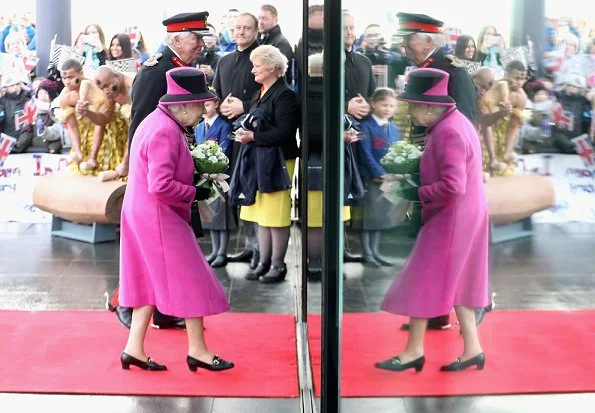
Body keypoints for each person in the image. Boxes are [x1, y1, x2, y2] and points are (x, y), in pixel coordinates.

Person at [119, 67, 233, 373]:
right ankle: (199, 351)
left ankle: (133, 349)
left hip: (141, 211)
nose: (203, 110)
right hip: (158, 215)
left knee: (147, 281)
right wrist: (197, 191)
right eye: (199, 104)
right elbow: (161, 185)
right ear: (182, 105)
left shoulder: (155, 121)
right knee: (192, 278)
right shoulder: (166, 130)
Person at [376, 68, 488, 373]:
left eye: (413, 105)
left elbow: (454, 185)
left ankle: (413, 351)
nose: (410, 111)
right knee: (460, 282)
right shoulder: (457, 121)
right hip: (467, 213)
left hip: (451, 217)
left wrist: (416, 190)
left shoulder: (448, 131)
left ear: (429, 105)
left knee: (422, 280)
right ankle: (473, 350)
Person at [112, 12, 212, 331]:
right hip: (156, 172)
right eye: (196, 38)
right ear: (177, 38)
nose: (200, 45)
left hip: (173, 165)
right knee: (150, 246)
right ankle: (125, 303)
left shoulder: (178, 67)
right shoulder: (157, 72)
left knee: (168, 246)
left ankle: (165, 308)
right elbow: (140, 124)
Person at [394, 12, 478, 330]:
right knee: (425, 242)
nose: (403, 46)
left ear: (428, 40)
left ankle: (452, 310)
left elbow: (465, 123)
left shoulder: (453, 73)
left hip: (447, 172)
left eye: (408, 39)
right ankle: (432, 311)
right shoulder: (424, 69)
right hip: (424, 163)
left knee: (444, 245)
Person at [229, 45, 299, 283]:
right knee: (262, 216)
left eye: (257, 65)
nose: (253, 70)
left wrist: (253, 137)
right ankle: (263, 262)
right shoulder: (260, 93)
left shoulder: (285, 95)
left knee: (276, 217)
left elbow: (286, 133)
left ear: (272, 67)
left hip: (278, 162)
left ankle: (278, 265)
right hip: (260, 160)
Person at [213, 12, 262, 269]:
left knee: (250, 191)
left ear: (256, 31)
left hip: (252, 136)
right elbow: (216, 96)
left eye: (246, 28)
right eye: (237, 28)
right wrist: (221, 106)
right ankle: (246, 245)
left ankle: (257, 249)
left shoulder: (263, 58)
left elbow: (272, 96)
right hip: (226, 137)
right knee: (230, 189)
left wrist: (244, 107)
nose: (241, 32)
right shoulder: (224, 61)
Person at [353, 88, 401, 267]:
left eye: (391, 106)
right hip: (371, 178)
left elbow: (397, 151)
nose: (388, 109)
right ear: (374, 104)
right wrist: (379, 172)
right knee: (368, 218)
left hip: (388, 179)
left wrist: (394, 171)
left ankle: (375, 252)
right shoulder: (366, 126)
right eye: (384, 105)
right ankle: (367, 253)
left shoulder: (393, 128)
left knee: (380, 217)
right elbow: (365, 153)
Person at [194, 89, 234, 267]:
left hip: (220, 176)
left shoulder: (224, 125)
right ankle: (215, 250)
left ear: (216, 104)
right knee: (211, 215)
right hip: (205, 177)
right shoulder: (200, 126)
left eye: (208, 104)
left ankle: (222, 252)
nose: (204, 108)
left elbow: (225, 151)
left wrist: (213, 164)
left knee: (221, 216)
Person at [478, 60, 527, 176]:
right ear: (506, 75)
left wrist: (507, 153)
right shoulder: (494, 90)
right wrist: (492, 158)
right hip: (483, 138)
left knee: (506, 175)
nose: (519, 83)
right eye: (516, 78)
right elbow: (484, 123)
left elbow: (514, 126)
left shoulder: (521, 97)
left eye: (522, 79)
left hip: (504, 139)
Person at [257, 4, 294, 83]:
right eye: (259, 18)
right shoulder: (261, 40)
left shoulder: (281, 44)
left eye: (265, 19)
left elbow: (277, 73)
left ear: (275, 20)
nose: (260, 22)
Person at [0, 72, 34, 153]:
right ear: (5, 87)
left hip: (24, 148)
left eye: (17, 84)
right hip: (4, 149)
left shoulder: (28, 102)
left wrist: (18, 146)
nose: (15, 87)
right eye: (12, 85)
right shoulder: (1, 103)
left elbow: (29, 127)